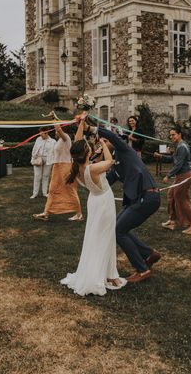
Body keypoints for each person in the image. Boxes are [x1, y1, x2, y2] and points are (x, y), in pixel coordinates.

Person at [86, 119, 161, 283]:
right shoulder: (114, 164)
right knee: (116, 227)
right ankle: (149, 253)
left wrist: (92, 128)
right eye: (101, 143)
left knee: (118, 231)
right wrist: (90, 167)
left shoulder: (125, 150)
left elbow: (113, 137)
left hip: (147, 197)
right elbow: (104, 183)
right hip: (137, 199)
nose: (103, 144)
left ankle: (142, 269)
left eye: (105, 142)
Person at [61, 119, 127, 295]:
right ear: (87, 151)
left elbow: (77, 141)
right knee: (106, 237)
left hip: (94, 201)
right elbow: (110, 160)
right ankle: (109, 274)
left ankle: (108, 272)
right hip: (104, 203)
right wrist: (104, 144)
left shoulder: (77, 167)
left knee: (95, 236)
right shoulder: (94, 168)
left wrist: (82, 122)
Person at [33, 123, 82, 221]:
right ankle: (46, 213)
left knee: (70, 190)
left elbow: (59, 129)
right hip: (57, 167)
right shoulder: (59, 140)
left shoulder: (66, 138)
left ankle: (79, 214)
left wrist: (53, 119)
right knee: (52, 190)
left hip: (65, 167)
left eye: (57, 130)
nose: (55, 132)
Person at [154, 126, 191, 234]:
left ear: (179, 134)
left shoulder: (182, 146)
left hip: (185, 175)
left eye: (173, 134)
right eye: (170, 135)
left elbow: (179, 165)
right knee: (171, 195)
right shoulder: (178, 146)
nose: (171, 136)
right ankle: (172, 221)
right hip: (181, 175)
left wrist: (168, 176)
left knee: (182, 199)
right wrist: (161, 157)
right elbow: (173, 159)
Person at [30, 127, 56, 199]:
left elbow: (55, 152)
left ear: (46, 132)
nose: (40, 135)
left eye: (41, 133)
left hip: (48, 160)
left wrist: (54, 160)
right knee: (37, 176)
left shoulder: (53, 141)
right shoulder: (38, 139)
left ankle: (45, 193)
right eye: (40, 133)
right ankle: (35, 193)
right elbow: (34, 149)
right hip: (38, 159)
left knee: (46, 176)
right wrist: (34, 156)